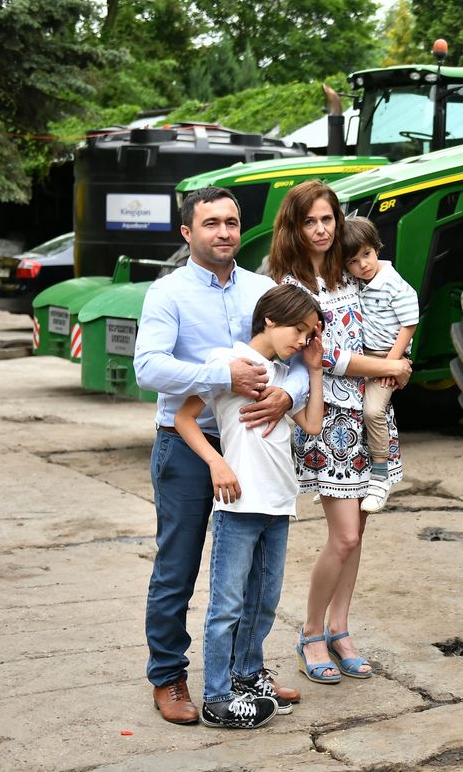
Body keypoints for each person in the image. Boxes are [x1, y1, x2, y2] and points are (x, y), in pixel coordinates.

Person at [134, 186, 309, 725]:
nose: (225, 232)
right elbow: (149, 369)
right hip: (192, 446)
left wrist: (291, 394)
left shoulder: (262, 288)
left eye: (232, 222)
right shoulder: (168, 294)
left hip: (254, 446)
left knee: (253, 576)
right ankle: (169, 677)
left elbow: (298, 350)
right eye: (211, 223)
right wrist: (221, 374)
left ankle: (242, 671)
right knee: (178, 568)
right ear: (188, 233)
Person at [267, 179, 413, 684]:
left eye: (327, 218)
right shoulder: (291, 285)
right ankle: (311, 632)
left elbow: (393, 313)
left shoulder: (352, 271)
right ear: (295, 226)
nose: (321, 229)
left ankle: (341, 628)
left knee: (358, 534)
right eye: (310, 221)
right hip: (327, 420)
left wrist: (396, 361)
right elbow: (323, 356)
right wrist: (385, 369)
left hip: (369, 414)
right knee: (344, 535)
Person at [174, 284, 326, 728]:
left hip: (279, 502)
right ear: (270, 320)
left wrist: (313, 370)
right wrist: (216, 463)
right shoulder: (230, 363)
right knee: (227, 605)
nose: (302, 341)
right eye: (299, 330)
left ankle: (247, 674)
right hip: (238, 505)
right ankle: (218, 696)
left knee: (264, 600)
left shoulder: (285, 373)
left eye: (310, 334)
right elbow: (184, 418)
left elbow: (313, 424)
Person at [342, 216, 419, 513]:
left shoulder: (392, 284)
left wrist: (392, 363)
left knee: (373, 411)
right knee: (345, 410)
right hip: (363, 356)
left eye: (366, 254)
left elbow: (409, 324)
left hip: (387, 355)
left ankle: (380, 474)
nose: (362, 264)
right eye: (353, 261)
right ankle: (345, 477)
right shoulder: (357, 283)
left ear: (376, 249)